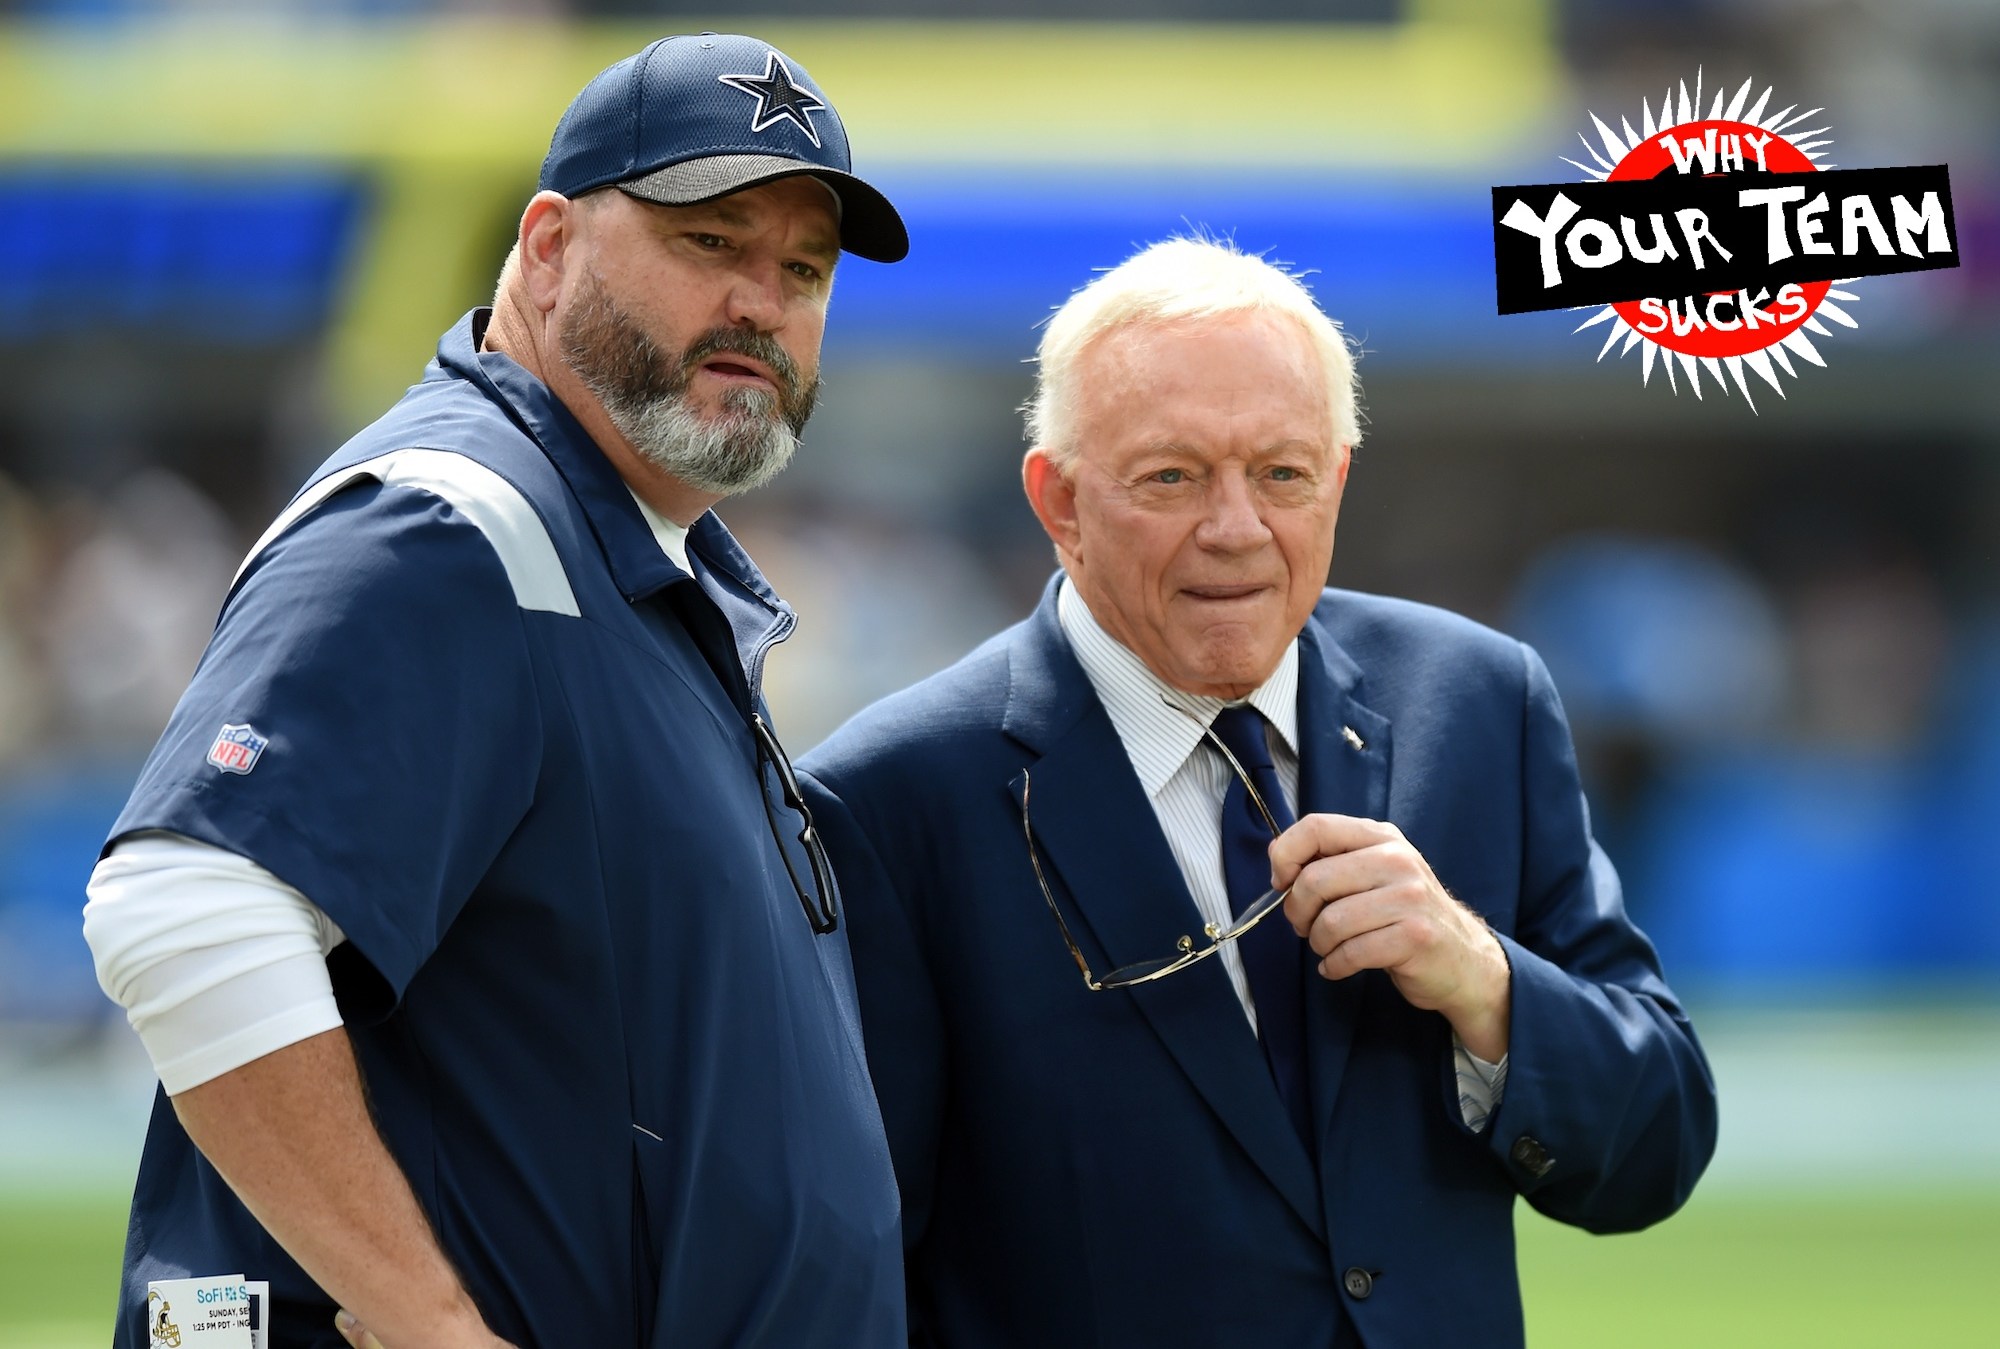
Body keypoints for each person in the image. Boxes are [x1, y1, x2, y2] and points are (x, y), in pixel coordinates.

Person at [82, 34, 909, 1349]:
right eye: (712, 242)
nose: (762, 299)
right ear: (548, 246)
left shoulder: (615, 553)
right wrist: (427, 1318)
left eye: (802, 270)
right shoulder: (454, 523)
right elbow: (182, 911)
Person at [798, 237, 1718, 1348]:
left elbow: (1655, 1142)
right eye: (1171, 477)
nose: (1234, 528)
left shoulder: (1477, 700)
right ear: (1059, 500)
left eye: (1279, 474)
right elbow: (846, 1270)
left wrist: (1482, 981)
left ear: (1333, 481)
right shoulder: (886, 799)